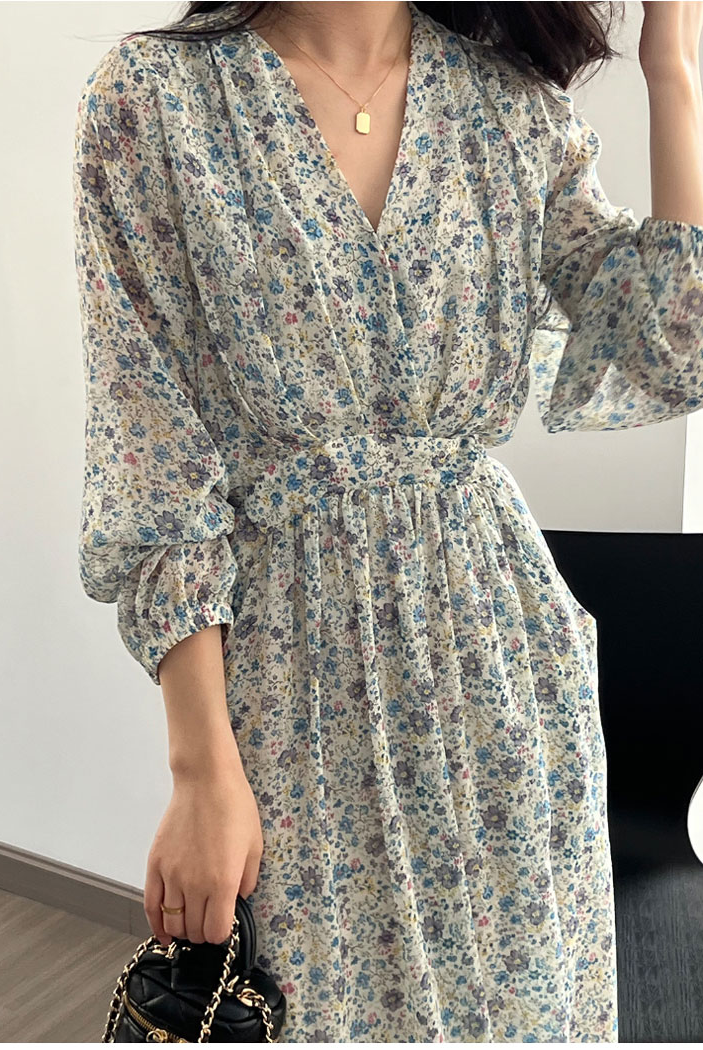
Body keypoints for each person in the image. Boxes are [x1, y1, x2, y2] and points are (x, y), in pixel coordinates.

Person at [71, 0, 703, 1040]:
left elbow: (672, 342)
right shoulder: (155, 102)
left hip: (501, 665)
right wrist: (200, 772)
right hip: (293, 684)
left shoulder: (510, 108)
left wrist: (670, 66)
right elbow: (152, 462)